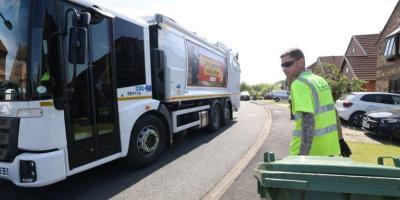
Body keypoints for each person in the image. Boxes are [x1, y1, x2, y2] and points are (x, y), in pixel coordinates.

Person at [280, 48, 341, 156]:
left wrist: (302, 158)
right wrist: (341, 140)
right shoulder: (320, 80)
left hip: (311, 154)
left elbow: (308, 120)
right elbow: (334, 112)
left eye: (288, 64)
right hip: (330, 151)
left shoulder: (299, 84)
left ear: (301, 62)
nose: (284, 69)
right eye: (282, 65)